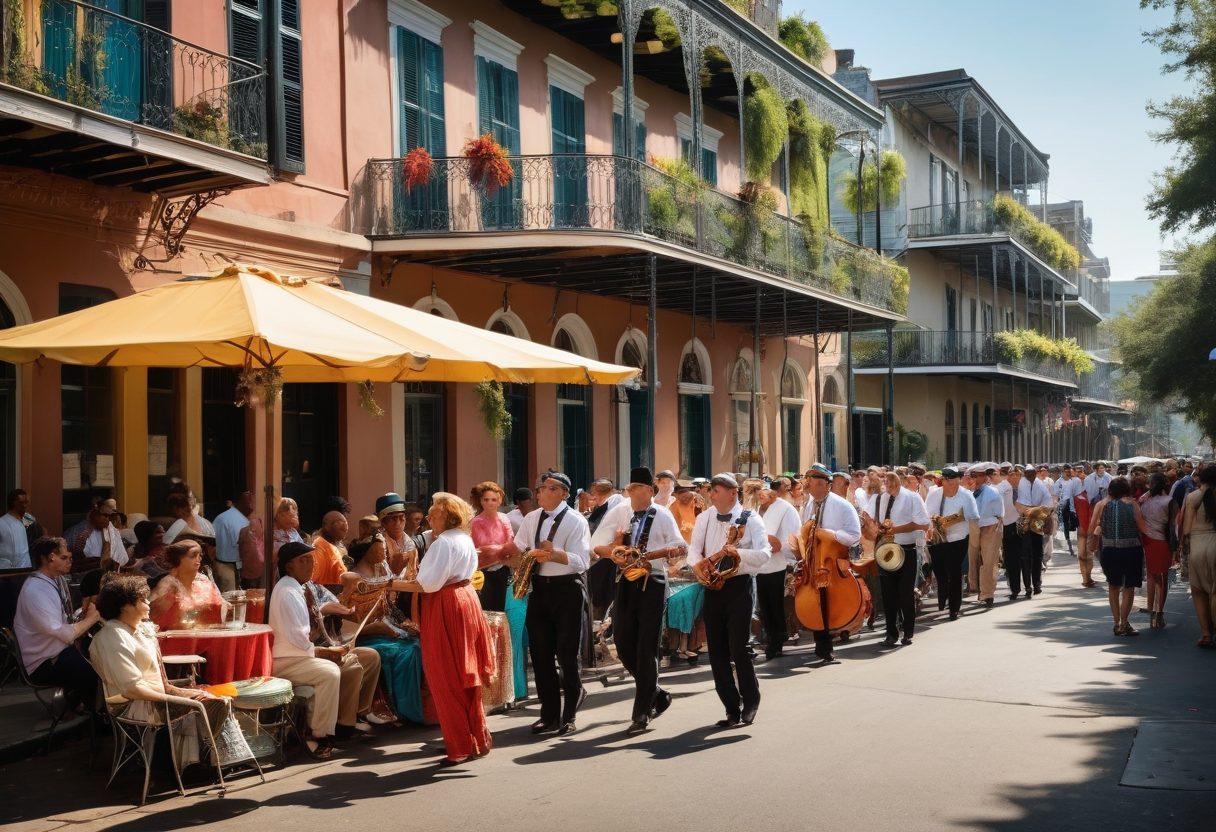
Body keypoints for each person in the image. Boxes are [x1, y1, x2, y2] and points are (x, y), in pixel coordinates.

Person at [89, 574, 252, 769]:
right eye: (142, 599)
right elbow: (132, 688)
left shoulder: (138, 629)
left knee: (215, 694)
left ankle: (209, 762)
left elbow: (159, 678)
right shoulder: (113, 636)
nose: (148, 602)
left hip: (153, 697)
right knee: (212, 702)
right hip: (136, 706)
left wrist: (183, 692)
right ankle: (199, 765)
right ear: (126, 606)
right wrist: (177, 699)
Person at [391, 493, 494, 764]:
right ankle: (475, 740)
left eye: (434, 514)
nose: (428, 518)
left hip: (446, 604)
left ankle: (459, 745)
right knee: (464, 675)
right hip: (465, 600)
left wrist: (388, 584)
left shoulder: (444, 543)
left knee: (445, 675)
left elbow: (427, 584)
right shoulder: (463, 539)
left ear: (448, 516)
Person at [590, 467, 686, 734]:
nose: (629, 494)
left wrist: (659, 554)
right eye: (628, 489)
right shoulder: (624, 513)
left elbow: (679, 548)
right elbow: (599, 545)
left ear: (648, 490)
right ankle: (655, 691)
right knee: (622, 643)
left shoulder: (663, 514)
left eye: (634, 489)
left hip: (652, 582)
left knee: (646, 647)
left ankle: (642, 712)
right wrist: (617, 551)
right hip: (625, 581)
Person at [269, 541, 381, 759]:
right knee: (329, 672)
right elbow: (299, 640)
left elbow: (336, 612)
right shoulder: (288, 591)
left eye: (311, 559)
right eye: (303, 560)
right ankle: (317, 734)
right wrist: (328, 652)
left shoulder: (303, 587)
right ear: (289, 566)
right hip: (288, 660)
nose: (310, 564)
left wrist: (333, 648)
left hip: (304, 654)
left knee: (366, 657)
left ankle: (353, 718)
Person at [687, 473, 770, 728]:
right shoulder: (704, 517)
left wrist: (738, 553)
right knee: (717, 651)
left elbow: (765, 554)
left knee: (738, 647)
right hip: (712, 586)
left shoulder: (751, 519)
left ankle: (751, 701)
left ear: (732, 493)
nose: (710, 494)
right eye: (711, 490)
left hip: (739, 586)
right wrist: (698, 567)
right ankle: (731, 708)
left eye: (715, 490)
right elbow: (693, 550)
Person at [513, 471, 591, 736]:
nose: (539, 493)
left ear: (562, 493)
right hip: (540, 590)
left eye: (546, 488)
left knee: (567, 655)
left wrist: (554, 554)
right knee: (541, 654)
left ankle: (569, 714)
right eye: (540, 488)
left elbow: (582, 562)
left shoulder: (576, 520)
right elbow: (519, 547)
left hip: (567, 589)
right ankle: (549, 715)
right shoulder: (532, 518)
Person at [339, 536, 423, 724]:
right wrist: (377, 628)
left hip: (386, 630)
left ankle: (413, 708)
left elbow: (387, 606)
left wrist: (403, 623)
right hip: (365, 636)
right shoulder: (354, 580)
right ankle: (404, 709)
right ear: (367, 552)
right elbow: (346, 627)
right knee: (407, 652)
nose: (385, 553)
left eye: (385, 549)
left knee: (416, 643)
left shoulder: (383, 570)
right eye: (380, 549)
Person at [13, 537, 101, 714]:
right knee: (95, 674)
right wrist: (93, 617)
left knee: (99, 657)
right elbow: (66, 635)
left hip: (56, 649)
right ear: (51, 558)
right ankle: (94, 720)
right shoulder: (36, 590)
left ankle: (77, 705)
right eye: (65, 557)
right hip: (44, 661)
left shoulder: (55, 579)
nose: (70, 561)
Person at [799, 464, 862, 663]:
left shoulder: (842, 505)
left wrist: (831, 535)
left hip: (831, 563)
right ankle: (821, 645)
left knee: (829, 603)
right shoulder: (809, 505)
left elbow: (854, 536)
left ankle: (827, 647)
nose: (813, 488)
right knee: (817, 604)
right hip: (813, 561)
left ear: (828, 485)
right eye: (811, 483)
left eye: (818, 484)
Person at [862, 471, 930, 647]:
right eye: (887, 482)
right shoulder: (879, 499)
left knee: (905, 594)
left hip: (906, 550)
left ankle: (908, 632)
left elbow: (924, 523)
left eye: (893, 483)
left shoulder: (912, 497)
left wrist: (896, 530)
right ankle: (891, 633)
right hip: (885, 550)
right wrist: (870, 524)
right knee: (888, 594)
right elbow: (867, 517)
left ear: (900, 482)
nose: (889, 486)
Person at [1089, 477, 1148, 637]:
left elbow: (1091, 527)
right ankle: (1124, 623)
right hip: (1131, 550)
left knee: (1113, 586)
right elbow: (1143, 528)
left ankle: (1116, 623)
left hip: (1109, 550)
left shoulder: (1101, 505)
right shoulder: (1133, 505)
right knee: (1129, 587)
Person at [925, 467, 980, 620]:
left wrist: (954, 519)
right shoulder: (934, 493)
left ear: (958, 479)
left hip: (959, 539)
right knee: (940, 571)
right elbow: (927, 513)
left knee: (954, 573)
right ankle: (943, 597)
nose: (947, 482)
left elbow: (973, 516)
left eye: (951, 479)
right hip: (938, 539)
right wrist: (936, 519)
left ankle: (954, 609)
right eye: (945, 479)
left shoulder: (966, 495)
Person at [756, 480, 800, 660]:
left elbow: (793, 536)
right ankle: (771, 637)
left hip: (779, 564)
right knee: (764, 606)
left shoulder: (786, 508)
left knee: (775, 605)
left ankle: (777, 640)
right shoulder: (755, 509)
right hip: (759, 564)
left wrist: (778, 546)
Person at [149, 541, 228, 630]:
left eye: (200, 555)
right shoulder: (168, 583)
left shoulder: (203, 580)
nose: (199, 559)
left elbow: (223, 605)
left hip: (209, 635)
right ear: (178, 559)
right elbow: (150, 613)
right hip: (179, 638)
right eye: (193, 556)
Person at [1181, 465, 1216, 648]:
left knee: (1199, 591)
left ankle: (1206, 634)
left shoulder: (1192, 498)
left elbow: (1186, 529)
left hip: (1198, 545)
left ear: (1200, 480)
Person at [469, 481, 517, 613]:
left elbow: (510, 544)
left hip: (503, 570)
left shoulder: (504, 518)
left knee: (500, 610)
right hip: (482, 571)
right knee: (484, 610)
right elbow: (481, 549)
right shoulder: (475, 522)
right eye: (486, 499)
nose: (490, 503)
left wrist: (498, 552)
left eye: (494, 499)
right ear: (481, 501)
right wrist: (499, 551)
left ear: (499, 501)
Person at [967, 463, 1004, 608]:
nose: (973, 479)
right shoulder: (970, 493)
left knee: (988, 561)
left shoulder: (992, 492)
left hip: (990, 527)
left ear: (983, 477)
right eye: (972, 476)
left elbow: (986, 513)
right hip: (976, 527)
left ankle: (988, 594)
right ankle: (978, 588)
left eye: (976, 476)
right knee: (974, 559)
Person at [1139, 473, 1174, 630]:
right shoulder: (1169, 501)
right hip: (1163, 541)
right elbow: (1174, 527)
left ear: (1151, 484)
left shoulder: (1144, 500)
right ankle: (1159, 613)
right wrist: (1177, 548)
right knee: (1163, 577)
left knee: (1152, 575)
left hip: (1147, 540)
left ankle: (1152, 611)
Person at [1014, 464, 1054, 598]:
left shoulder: (1040, 484)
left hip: (1037, 521)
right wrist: (1028, 510)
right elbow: (1019, 503)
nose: (1030, 475)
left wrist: (1036, 510)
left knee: (1037, 554)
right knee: (1025, 556)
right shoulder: (1022, 483)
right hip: (1025, 521)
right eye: (1027, 473)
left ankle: (1037, 584)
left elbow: (1048, 501)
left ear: (1035, 473)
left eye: (1032, 473)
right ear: (1025, 473)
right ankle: (1027, 587)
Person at [212, 491, 254, 593]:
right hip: (228, 567)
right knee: (230, 599)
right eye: (249, 503)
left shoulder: (223, 517)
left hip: (221, 564)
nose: (252, 507)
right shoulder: (238, 520)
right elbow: (244, 546)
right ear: (240, 502)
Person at [999, 465, 1028, 599]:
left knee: (1026, 558)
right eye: (1011, 474)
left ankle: (1029, 586)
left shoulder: (1027, 489)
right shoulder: (1003, 488)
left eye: (1017, 474)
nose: (1014, 477)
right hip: (1009, 527)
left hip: (1026, 526)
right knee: (1011, 559)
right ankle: (1015, 589)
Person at [76, 504, 129, 568]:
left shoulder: (112, 530)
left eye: (109, 517)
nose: (107, 519)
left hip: (113, 570)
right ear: (96, 516)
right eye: (105, 516)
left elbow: (122, 556)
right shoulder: (85, 531)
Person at [375, 493, 415, 575]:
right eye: (393, 518)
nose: (398, 523)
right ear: (383, 522)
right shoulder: (379, 542)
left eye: (401, 517)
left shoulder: (409, 541)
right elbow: (380, 575)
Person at [311, 511, 351, 586]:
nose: (344, 526)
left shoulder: (339, 545)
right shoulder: (318, 547)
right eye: (338, 522)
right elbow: (316, 580)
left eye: (345, 522)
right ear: (326, 526)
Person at [0, 489, 31, 569]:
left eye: (26, 502)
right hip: (8, 570)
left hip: (26, 568)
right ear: (13, 503)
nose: (24, 505)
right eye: (21, 503)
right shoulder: (3, 522)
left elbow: (42, 531)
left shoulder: (28, 518)